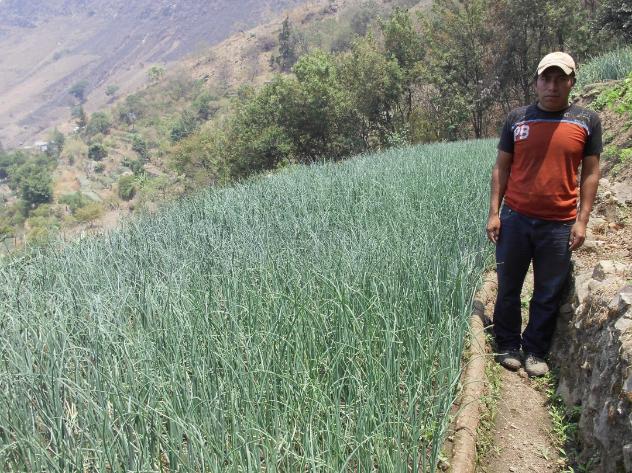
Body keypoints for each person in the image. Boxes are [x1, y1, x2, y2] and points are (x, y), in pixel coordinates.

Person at [486, 51, 602, 377]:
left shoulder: (587, 121)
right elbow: (501, 168)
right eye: (546, 78)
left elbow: (591, 173)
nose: (552, 86)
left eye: (560, 79)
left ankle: (535, 350)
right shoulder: (517, 119)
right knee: (509, 286)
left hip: (559, 223)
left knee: (547, 292)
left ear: (571, 82)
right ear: (536, 82)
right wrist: (494, 213)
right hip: (516, 218)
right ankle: (508, 344)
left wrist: (582, 220)